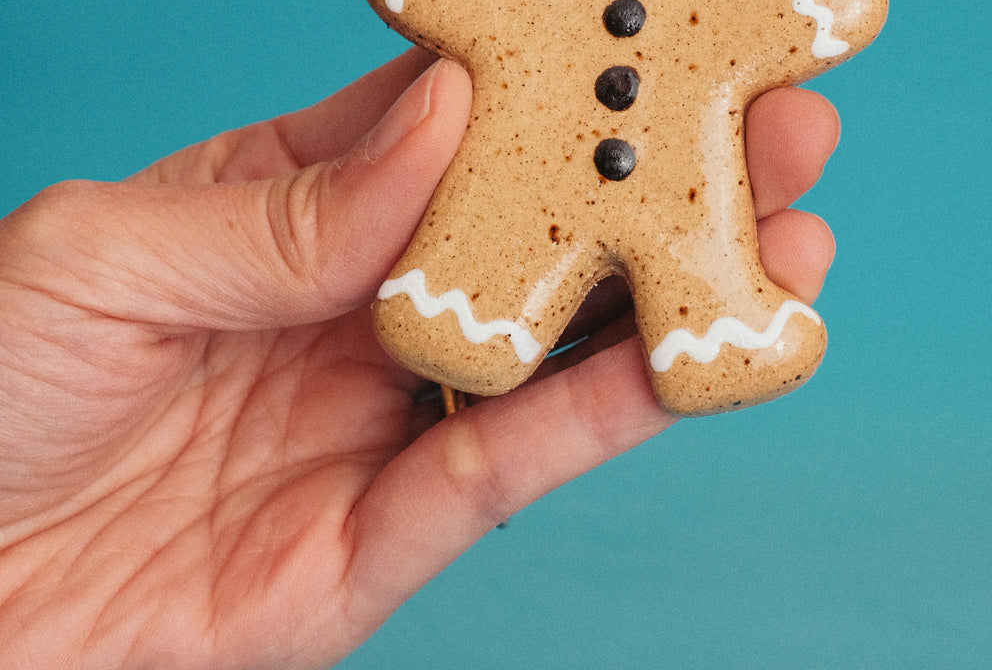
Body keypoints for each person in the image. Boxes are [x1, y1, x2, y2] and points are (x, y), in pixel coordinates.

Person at [0, 41, 843, 669]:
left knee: (702, 244)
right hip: (526, 174)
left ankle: (720, 328)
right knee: (489, 254)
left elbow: (802, 7)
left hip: (678, 171)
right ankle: (463, 319)